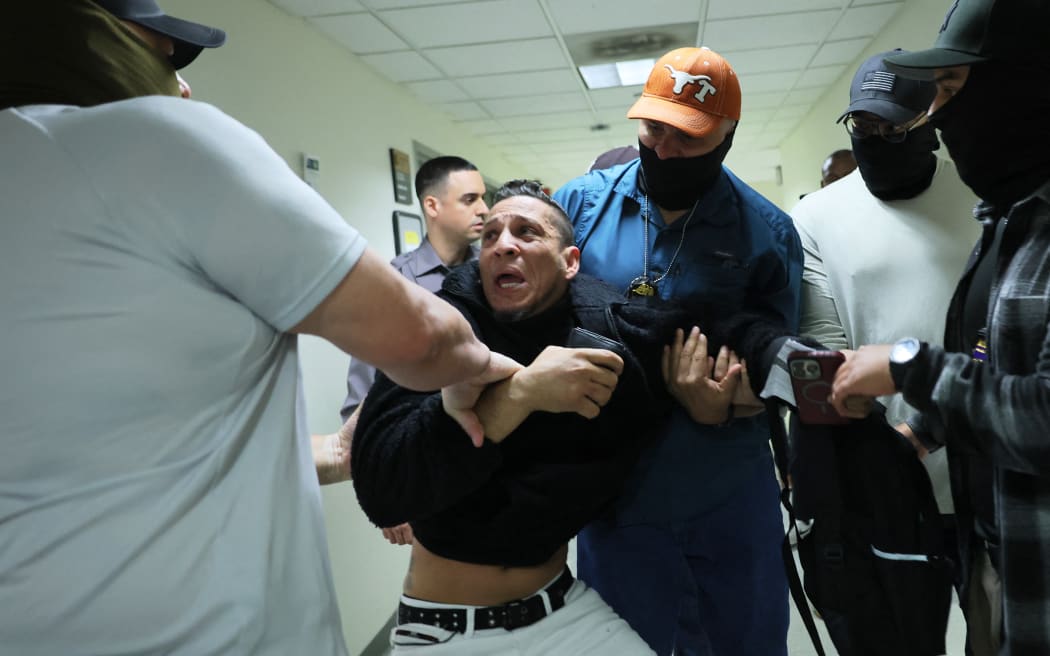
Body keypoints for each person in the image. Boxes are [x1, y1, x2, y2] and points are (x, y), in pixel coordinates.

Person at [0, 2, 518, 654]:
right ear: (96, 35)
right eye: (167, 58)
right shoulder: (154, 137)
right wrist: (495, 371)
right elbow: (424, 340)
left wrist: (339, 450)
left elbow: (110, 449)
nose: (183, 86)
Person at [352, 179, 754, 655]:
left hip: (562, 608)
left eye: (527, 232)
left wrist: (716, 405)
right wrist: (520, 395)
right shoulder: (440, 328)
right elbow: (383, 492)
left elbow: (727, 342)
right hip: (446, 629)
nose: (504, 245)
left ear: (570, 262)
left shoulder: (605, 330)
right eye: (491, 236)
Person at [554, 46, 803, 655]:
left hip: (726, 494)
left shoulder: (766, 233)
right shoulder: (579, 207)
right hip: (618, 495)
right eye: (652, 128)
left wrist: (726, 403)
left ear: (726, 136)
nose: (663, 149)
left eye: (686, 137)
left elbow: (778, 370)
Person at [831, 0, 1050, 653]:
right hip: (1000, 559)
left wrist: (908, 367)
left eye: (954, 89)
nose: (944, 114)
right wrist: (913, 436)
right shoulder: (1013, 220)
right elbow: (989, 360)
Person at [329, 155, 489, 545]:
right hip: (422, 461)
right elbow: (364, 394)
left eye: (484, 198)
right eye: (470, 199)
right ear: (432, 206)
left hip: (489, 452)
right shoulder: (393, 282)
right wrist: (383, 482)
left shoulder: (492, 274)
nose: (484, 209)